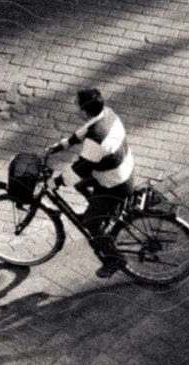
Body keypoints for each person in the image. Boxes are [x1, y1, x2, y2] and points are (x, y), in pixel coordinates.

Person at [46, 87, 135, 277]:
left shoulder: (97, 140)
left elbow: (81, 169)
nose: (75, 107)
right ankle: (100, 209)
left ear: (84, 110)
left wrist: (57, 182)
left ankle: (114, 259)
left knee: (91, 223)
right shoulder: (107, 114)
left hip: (115, 183)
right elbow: (85, 130)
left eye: (77, 105)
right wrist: (64, 144)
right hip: (123, 168)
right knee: (81, 185)